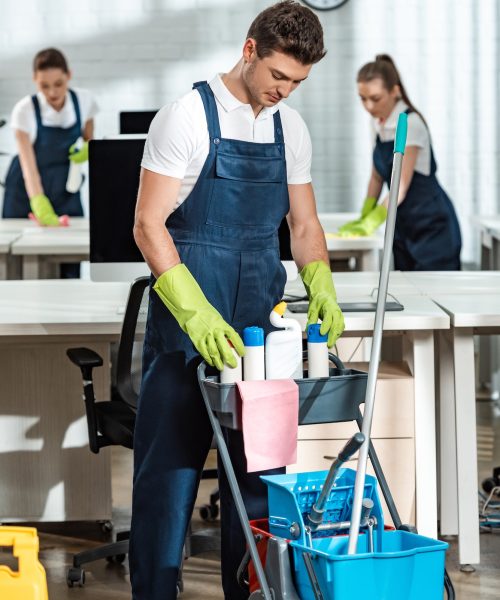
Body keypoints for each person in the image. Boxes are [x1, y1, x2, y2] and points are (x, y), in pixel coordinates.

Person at [130, 2, 344, 598]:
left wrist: (321, 282)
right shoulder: (186, 118)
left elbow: (303, 227)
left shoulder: (288, 128)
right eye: (279, 75)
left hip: (260, 340)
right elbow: (149, 224)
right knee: (167, 483)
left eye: (298, 82)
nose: (285, 91)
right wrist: (195, 314)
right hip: (187, 332)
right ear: (250, 49)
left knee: (258, 488)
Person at [340, 54, 461, 271]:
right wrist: (364, 214)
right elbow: (377, 175)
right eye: (362, 98)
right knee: (405, 294)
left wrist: (372, 222)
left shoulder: (409, 123)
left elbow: (400, 186)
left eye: (375, 98)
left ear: (394, 91)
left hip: (431, 225)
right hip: (402, 223)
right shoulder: (377, 123)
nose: (368, 106)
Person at [2, 48, 97, 275]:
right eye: (44, 85)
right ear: (35, 80)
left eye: (58, 83)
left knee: (70, 259)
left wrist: (88, 149)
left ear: (69, 75)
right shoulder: (24, 110)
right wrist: (38, 202)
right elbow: (28, 165)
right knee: (18, 263)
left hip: (66, 190)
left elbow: (90, 140)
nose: (52, 92)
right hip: (26, 191)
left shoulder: (84, 101)